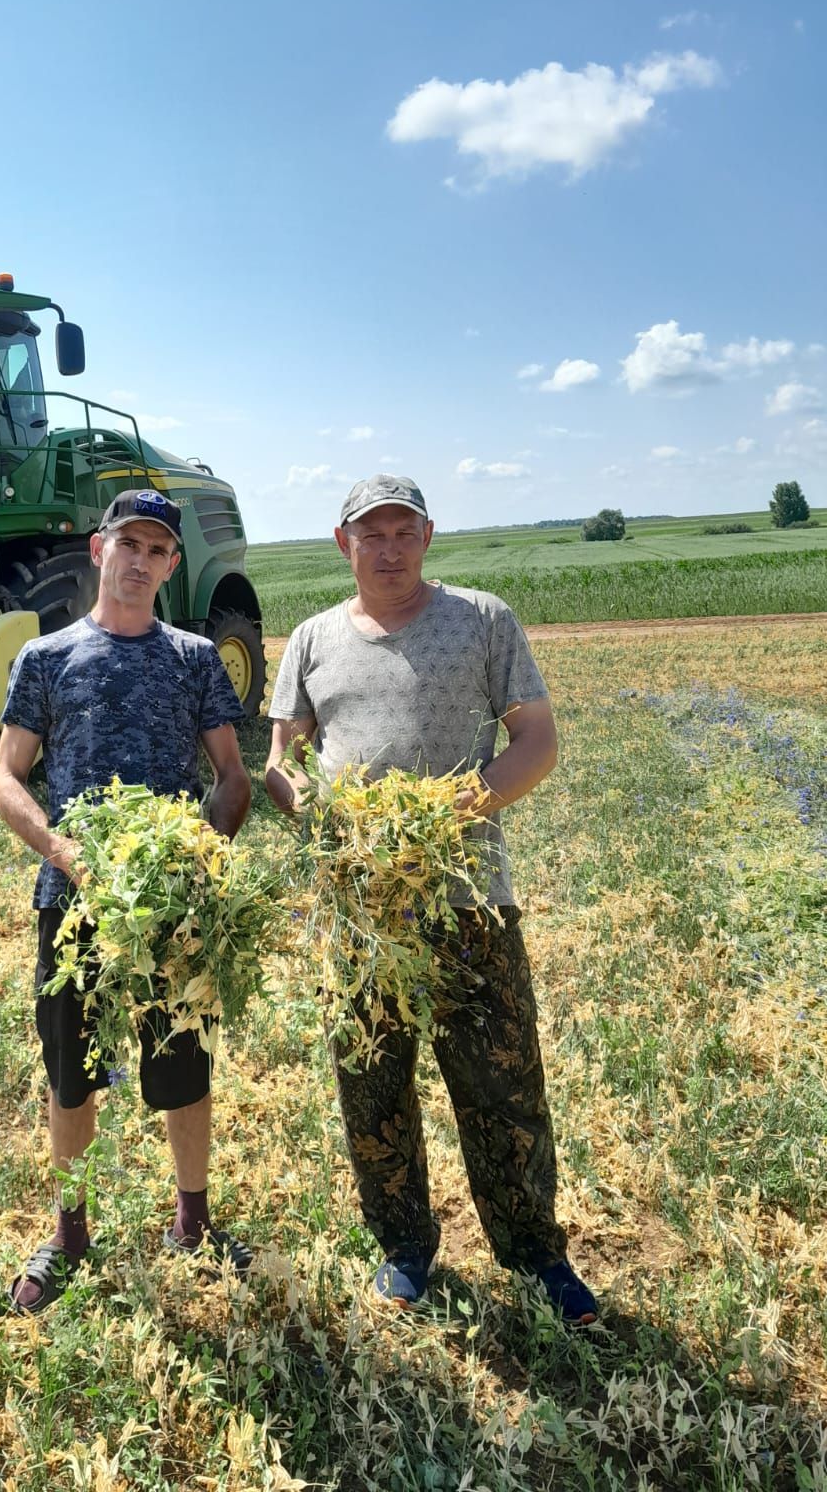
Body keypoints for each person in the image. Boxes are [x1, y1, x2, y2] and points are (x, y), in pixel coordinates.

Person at [264, 473, 597, 1324]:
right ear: (344, 544)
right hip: (361, 911)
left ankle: (535, 1254)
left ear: (428, 536)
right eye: (370, 534)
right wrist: (313, 807)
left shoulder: (483, 620)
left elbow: (538, 742)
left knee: (502, 1082)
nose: (388, 548)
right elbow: (282, 762)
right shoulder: (310, 639)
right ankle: (404, 1246)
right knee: (372, 1083)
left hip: (469, 898)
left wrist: (457, 806)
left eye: (403, 531)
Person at [0, 488, 253, 1315]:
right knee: (71, 1074)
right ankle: (69, 1234)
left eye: (157, 549)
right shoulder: (46, 659)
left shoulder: (193, 658)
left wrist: (195, 855)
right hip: (74, 902)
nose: (140, 560)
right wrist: (66, 853)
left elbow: (233, 778)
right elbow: (6, 777)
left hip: (169, 907)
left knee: (183, 1063)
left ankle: (194, 1223)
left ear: (172, 565)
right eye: (126, 543)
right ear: (100, 550)